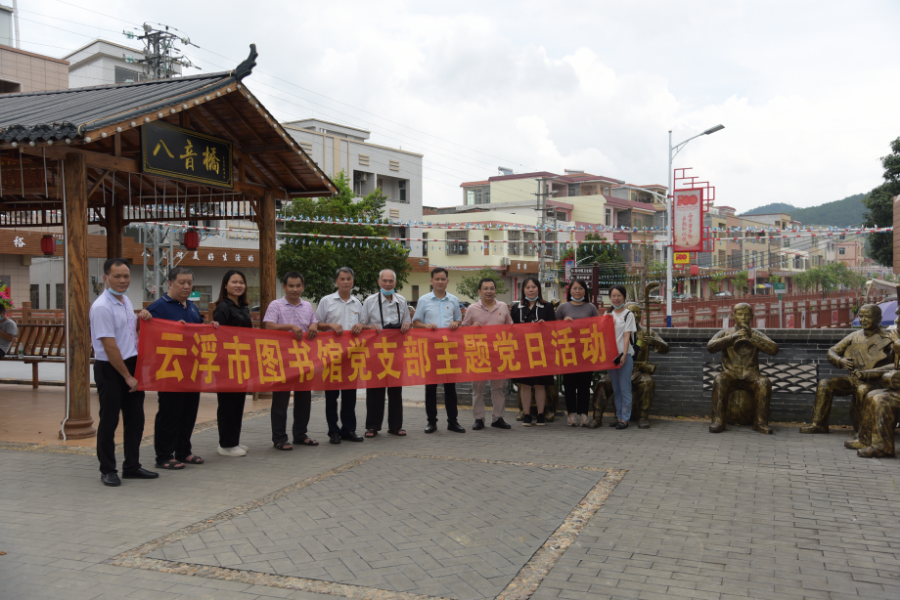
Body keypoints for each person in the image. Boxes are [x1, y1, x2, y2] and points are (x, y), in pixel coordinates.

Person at [91, 258, 157, 486]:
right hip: (111, 369)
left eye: (126, 276)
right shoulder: (101, 306)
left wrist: (142, 318)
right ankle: (108, 469)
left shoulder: (126, 300)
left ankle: (132, 466)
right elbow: (109, 345)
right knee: (109, 420)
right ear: (105, 278)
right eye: (117, 276)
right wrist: (127, 377)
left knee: (136, 419)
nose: (122, 280)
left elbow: (129, 332)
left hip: (132, 364)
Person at [140, 266, 212, 470]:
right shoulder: (158, 308)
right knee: (170, 413)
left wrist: (210, 327)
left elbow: (198, 332)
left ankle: (183, 450)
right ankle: (163, 455)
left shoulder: (191, 306)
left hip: (191, 369)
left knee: (189, 412)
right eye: (182, 282)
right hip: (170, 371)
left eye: (189, 282)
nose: (186, 286)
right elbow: (148, 338)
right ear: (170, 283)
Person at [800, 304, 892, 434]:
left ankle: (864, 431)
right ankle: (819, 424)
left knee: (863, 389)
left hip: (877, 381)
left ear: (879, 318)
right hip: (854, 378)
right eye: (861, 316)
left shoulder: (888, 337)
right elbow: (832, 351)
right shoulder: (855, 336)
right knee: (825, 384)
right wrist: (840, 360)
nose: (863, 320)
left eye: (868, 317)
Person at [262, 271, 319, 451]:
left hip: (303, 358)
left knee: (304, 399)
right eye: (291, 286)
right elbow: (268, 325)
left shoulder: (308, 306)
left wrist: (313, 325)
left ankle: (300, 434)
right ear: (284, 287)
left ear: (303, 287)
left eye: (298, 286)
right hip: (282, 359)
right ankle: (279, 438)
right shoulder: (276, 305)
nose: (294, 289)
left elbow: (314, 323)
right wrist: (290, 327)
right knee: (281, 399)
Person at [315, 267, 367, 445]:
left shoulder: (357, 303)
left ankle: (349, 429)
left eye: (349, 279)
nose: (345, 282)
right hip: (331, 356)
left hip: (351, 356)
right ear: (336, 281)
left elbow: (363, 324)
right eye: (342, 279)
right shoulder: (326, 301)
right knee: (331, 396)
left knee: (350, 396)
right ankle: (333, 431)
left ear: (353, 281)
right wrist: (330, 325)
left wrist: (361, 325)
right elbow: (316, 324)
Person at [413, 267, 465, 434]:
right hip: (431, 349)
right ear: (432, 281)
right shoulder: (424, 300)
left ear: (447, 281)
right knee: (431, 387)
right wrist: (427, 326)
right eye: (437, 279)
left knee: (450, 387)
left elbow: (458, 320)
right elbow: (416, 322)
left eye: (443, 279)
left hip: (450, 349)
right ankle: (431, 422)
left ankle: (453, 421)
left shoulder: (454, 300)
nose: (440, 282)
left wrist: (457, 323)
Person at [360, 269, 411, 437]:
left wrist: (406, 326)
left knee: (396, 390)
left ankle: (396, 426)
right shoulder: (369, 301)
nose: (388, 284)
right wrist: (370, 328)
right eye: (385, 281)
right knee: (375, 389)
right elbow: (361, 325)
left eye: (391, 281)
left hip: (396, 351)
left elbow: (407, 323)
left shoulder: (401, 301)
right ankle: (373, 426)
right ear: (379, 282)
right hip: (375, 352)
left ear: (395, 283)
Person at [462, 277, 514, 430]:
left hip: (498, 354)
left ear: (495, 290)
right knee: (478, 388)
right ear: (479, 291)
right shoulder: (472, 309)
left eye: (491, 288)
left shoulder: (503, 307)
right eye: (485, 288)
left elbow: (510, 327)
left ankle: (498, 418)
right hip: (479, 353)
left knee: (498, 388)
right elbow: (463, 330)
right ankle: (479, 418)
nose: (489, 291)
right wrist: (472, 327)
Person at [212, 270, 252, 457]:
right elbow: (219, 337)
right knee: (227, 404)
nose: (238, 285)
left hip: (242, 362)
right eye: (234, 281)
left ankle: (234, 440)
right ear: (225, 285)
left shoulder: (243, 307)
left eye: (241, 282)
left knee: (238, 403)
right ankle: (226, 444)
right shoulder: (222, 308)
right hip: (226, 363)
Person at [510, 276, 556, 427]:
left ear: (539, 289)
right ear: (523, 290)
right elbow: (511, 330)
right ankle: (527, 414)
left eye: (533, 287)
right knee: (525, 384)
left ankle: (541, 414)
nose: (531, 290)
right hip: (523, 352)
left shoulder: (547, 307)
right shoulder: (516, 308)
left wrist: (545, 326)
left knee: (540, 384)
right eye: (528, 287)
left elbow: (554, 330)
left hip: (542, 351)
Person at [557, 279, 600, 427]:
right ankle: (571, 414)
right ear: (570, 291)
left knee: (584, 385)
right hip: (568, 351)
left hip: (586, 352)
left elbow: (598, 327)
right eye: (574, 288)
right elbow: (553, 328)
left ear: (585, 291)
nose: (577, 291)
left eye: (580, 288)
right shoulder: (563, 307)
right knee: (569, 385)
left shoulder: (591, 308)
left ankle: (583, 414)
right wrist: (563, 323)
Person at [607, 285, 636, 430]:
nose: (616, 298)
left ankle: (625, 419)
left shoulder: (628, 314)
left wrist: (624, 354)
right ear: (610, 297)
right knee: (616, 388)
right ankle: (618, 416)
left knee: (625, 388)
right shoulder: (608, 314)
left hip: (624, 356)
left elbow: (626, 335)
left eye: (619, 295)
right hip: (611, 357)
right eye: (613, 295)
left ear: (624, 297)